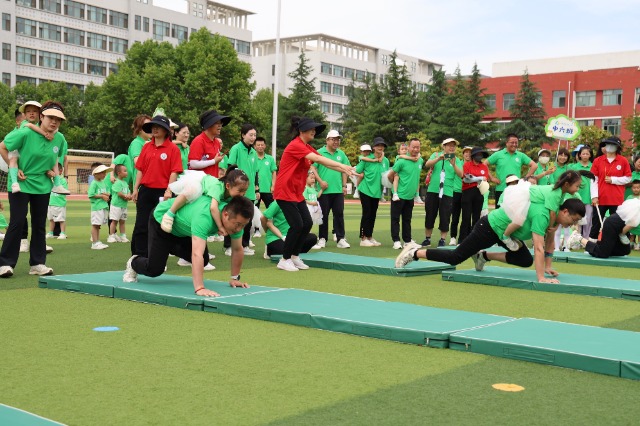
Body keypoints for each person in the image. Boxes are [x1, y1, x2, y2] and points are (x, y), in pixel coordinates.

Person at [397, 198, 586, 284]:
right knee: (455, 258)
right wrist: (541, 278)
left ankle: (483, 256)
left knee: (524, 260)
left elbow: (550, 244)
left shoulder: (554, 219)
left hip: (507, 235)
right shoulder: (544, 215)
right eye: (574, 219)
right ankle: (414, 252)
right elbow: (538, 246)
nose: (573, 224)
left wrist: (546, 267)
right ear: (565, 212)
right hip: (490, 227)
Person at [123, 195, 254, 297]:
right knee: (155, 269)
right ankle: (134, 262)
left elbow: (237, 249)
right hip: (162, 221)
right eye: (238, 224)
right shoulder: (205, 217)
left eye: (243, 225)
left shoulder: (236, 221)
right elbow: (196, 253)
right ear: (225, 215)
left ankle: (166, 247)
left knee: (204, 260)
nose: (239, 229)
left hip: (183, 230)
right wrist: (200, 288)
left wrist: (234, 278)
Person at [272, 117, 355, 272]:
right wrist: (342, 165)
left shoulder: (306, 146)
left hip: (296, 192)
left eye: (315, 129)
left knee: (307, 223)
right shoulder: (296, 145)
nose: (314, 131)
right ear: (302, 131)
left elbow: (323, 161)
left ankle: (295, 256)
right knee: (297, 225)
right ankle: (284, 259)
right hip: (285, 191)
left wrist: (345, 169)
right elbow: (318, 158)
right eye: (312, 129)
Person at [0, 101, 69, 277]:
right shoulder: (25, 132)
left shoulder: (60, 139)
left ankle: (37, 264)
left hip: (43, 186)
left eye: (58, 120)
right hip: (21, 184)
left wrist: (52, 170)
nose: (54, 122)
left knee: (39, 225)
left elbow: (56, 158)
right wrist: (13, 167)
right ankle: (5, 264)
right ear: (41, 117)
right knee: (17, 222)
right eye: (51, 118)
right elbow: (3, 146)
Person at [130, 115, 183, 257]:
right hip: (145, 190)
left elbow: (174, 172)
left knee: (160, 226)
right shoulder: (146, 147)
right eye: (153, 126)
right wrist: (135, 189)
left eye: (158, 126)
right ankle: (138, 256)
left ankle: (156, 257)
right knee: (141, 224)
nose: (155, 128)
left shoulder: (173, 149)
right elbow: (140, 169)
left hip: (162, 193)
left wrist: (169, 190)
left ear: (166, 131)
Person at [499, 170, 584, 251]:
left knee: (521, 220)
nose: (578, 189)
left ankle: (512, 235)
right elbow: (553, 213)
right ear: (566, 184)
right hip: (519, 196)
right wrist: (550, 227)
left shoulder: (561, 193)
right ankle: (505, 236)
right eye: (577, 186)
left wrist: (555, 226)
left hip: (528, 199)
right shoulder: (556, 194)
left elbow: (558, 210)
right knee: (518, 220)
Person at [7, 101, 70, 196]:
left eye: (35, 111)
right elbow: (31, 126)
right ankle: (15, 183)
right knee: (13, 160)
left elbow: (56, 157)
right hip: (16, 149)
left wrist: (52, 133)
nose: (32, 113)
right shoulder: (25, 127)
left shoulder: (59, 137)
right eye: (28, 111)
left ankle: (57, 183)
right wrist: (46, 134)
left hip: (42, 186)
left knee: (54, 158)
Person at [223, 124, 259, 255]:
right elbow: (230, 168)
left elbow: (255, 172)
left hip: (249, 191)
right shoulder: (236, 148)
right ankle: (228, 246)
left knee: (247, 219)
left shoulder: (254, 152)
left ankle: (245, 244)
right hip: (236, 190)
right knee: (232, 217)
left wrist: (256, 188)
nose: (253, 137)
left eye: (254, 135)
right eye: (250, 135)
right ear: (243, 135)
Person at [313, 129, 352, 249]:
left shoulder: (341, 154)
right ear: (327, 140)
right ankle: (322, 238)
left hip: (337, 190)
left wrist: (344, 186)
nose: (336, 142)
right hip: (324, 190)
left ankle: (340, 238)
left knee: (339, 214)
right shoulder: (319, 152)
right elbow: (313, 168)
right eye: (333, 139)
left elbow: (345, 170)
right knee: (323, 215)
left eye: (338, 139)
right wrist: (320, 181)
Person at [422, 138, 464, 247]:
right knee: (430, 214)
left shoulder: (456, 159)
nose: (452, 147)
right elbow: (427, 164)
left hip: (447, 192)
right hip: (433, 190)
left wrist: (454, 165)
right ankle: (427, 238)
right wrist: (438, 159)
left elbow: (461, 174)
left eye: (453, 146)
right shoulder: (436, 155)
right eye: (449, 145)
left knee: (445, 216)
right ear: (443, 146)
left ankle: (442, 239)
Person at [589, 137, 632, 240]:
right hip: (600, 198)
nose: (609, 146)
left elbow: (628, 178)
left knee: (618, 223)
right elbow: (593, 180)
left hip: (616, 198)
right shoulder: (598, 161)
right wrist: (594, 196)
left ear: (617, 147)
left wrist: (614, 180)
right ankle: (592, 244)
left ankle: (620, 247)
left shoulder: (623, 160)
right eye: (607, 144)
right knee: (596, 223)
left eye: (613, 144)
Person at [566, 198, 639, 258]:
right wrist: (622, 234)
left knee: (624, 250)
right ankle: (578, 238)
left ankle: (601, 247)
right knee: (602, 253)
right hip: (612, 225)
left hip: (620, 226)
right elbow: (632, 223)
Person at [387, 138, 424, 249]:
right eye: (413, 147)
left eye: (418, 147)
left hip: (410, 196)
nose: (416, 149)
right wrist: (395, 190)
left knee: (407, 219)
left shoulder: (420, 160)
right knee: (395, 219)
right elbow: (390, 175)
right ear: (408, 147)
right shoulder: (401, 161)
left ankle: (407, 241)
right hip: (399, 196)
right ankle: (396, 240)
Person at [487, 133, 537, 208]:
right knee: (500, 215)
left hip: (516, 190)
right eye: (512, 142)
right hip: (501, 189)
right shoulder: (498, 154)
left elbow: (534, 165)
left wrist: (525, 178)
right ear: (506, 143)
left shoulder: (521, 155)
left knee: (514, 215)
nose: (514, 144)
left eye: (516, 143)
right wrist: (492, 178)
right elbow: (484, 164)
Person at [355, 138, 387, 247]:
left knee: (373, 214)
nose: (380, 147)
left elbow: (386, 175)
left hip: (377, 192)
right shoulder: (366, 159)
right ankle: (363, 238)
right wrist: (363, 160)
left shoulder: (385, 161)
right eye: (378, 145)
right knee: (367, 213)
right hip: (365, 190)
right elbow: (358, 170)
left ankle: (369, 236)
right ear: (373, 147)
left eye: (382, 145)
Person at [460, 146, 490, 243]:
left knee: (476, 217)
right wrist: (479, 178)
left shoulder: (484, 167)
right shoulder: (467, 165)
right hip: (467, 191)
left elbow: (485, 178)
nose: (479, 156)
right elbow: (465, 179)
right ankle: (463, 239)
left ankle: (474, 239)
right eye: (477, 154)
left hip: (479, 191)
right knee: (466, 216)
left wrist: (474, 178)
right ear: (473, 156)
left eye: (481, 155)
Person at [188, 109, 229, 178]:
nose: (220, 126)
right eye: (217, 123)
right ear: (209, 125)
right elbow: (193, 164)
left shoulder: (217, 142)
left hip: (212, 182)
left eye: (221, 123)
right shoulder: (199, 141)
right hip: (200, 183)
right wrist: (213, 161)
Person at [569, 145, 594, 238]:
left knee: (588, 220)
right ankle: (576, 239)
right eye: (583, 153)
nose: (585, 155)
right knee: (576, 219)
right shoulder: (574, 167)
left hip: (589, 197)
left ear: (590, 155)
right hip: (577, 196)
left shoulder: (594, 166)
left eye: (587, 153)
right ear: (579, 155)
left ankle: (586, 239)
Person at [450, 146, 472, 246]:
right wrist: (439, 155)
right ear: (463, 154)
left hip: (468, 192)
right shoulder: (458, 161)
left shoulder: (473, 165)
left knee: (466, 217)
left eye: (470, 152)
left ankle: (464, 238)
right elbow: (446, 156)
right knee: (455, 216)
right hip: (457, 191)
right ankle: (453, 237)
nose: (468, 154)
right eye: (466, 152)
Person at [551, 148, 572, 251]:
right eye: (561, 155)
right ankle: (556, 246)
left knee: (567, 222)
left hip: (566, 198)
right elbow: (550, 182)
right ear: (557, 155)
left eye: (565, 155)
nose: (563, 157)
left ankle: (566, 246)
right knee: (556, 223)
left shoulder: (569, 168)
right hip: (555, 197)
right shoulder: (552, 167)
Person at [88, 164, 112, 250]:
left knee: (98, 225)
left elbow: (108, 191)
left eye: (105, 173)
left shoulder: (103, 183)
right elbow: (90, 194)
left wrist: (106, 194)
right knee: (95, 225)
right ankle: (95, 243)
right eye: (102, 173)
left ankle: (97, 241)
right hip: (97, 207)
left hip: (103, 207)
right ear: (96, 174)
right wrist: (102, 196)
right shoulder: (94, 183)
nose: (104, 174)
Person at [108, 164, 132, 243]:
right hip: (116, 205)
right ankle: (111, 235)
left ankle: (122, 236)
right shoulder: (117, 182)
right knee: (114, 221)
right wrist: (126, 196)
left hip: (123, 205)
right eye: (124, 171)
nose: (126, 172)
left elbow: (128, 191)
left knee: (122, 221)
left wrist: (129, 196)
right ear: (119, 173)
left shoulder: (125, 183)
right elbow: (119, 193)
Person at [127, 114, 151, 187]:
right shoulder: (136, 143)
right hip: (141, 185)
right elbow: (138, 162)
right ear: (140, 129)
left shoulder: (150, 141)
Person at [46, 163, 69, 240]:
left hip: (59, 203)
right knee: (51, 219)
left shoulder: (62, 181)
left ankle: (62, 233)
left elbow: (63, 190)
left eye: (54, 171)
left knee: (61, 219)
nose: (53, 172)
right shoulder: (50, 180)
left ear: (60, 171)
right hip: (51, 203)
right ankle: (51, 232)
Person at [255, 136, 277, 209]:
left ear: (265, 146)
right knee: (255, 210)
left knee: (271, 209)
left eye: (262, 145)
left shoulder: (270, 159)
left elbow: (274, 172)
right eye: (258, 145)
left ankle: (269, 221)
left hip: (268, 189)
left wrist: (273, 185)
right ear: (255, 146)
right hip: (256, 190)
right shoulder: (252, 158)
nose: (260, 146)